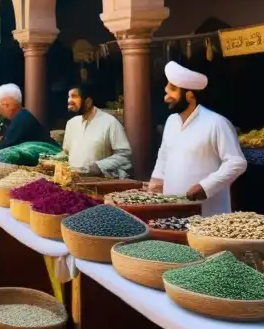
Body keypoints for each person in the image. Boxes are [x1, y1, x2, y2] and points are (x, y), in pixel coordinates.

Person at [148, 61, 247, 217]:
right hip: (172, 208)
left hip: (209, 212)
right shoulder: (171, 121)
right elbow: (164, 155)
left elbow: (236, 162)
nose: (166, 96)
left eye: (173, 90)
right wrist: (156, 181)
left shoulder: (217, 123)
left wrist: (205, 187)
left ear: (189, 96)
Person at [63, 82, 133, 178]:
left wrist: (97, 167)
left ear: (88, 102)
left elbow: (125, 157)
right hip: (72, 184)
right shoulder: (71, 123)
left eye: (74, 97)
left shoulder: (110, 122)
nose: (69, 101)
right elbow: (66, 154)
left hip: (98, 185)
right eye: (69, 97)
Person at [0, 84, 50, 150]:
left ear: (9, 105)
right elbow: (4, 135)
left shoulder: (21, 119)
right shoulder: (16, 116)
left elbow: (5, 144)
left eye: (0, 106)